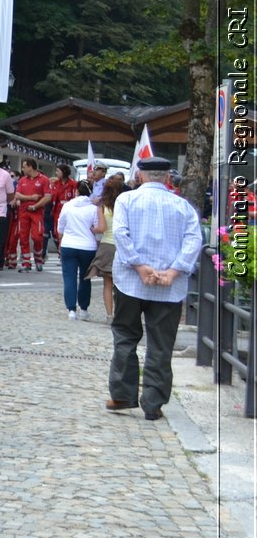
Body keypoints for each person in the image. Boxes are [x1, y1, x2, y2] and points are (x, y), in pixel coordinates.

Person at [107, 157, 202, 420]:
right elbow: (193, 241)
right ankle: (153, 402)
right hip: (169, 285)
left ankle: (122, 396)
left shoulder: (126, 200)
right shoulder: (183, 206)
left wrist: (139, 266)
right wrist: (173, 271)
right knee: (161, 343)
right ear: (168, 178)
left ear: (140, 176)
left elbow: (121, 234)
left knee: (126, 336)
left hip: (131, 280)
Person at [56, 180, 103, 320]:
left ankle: (71, 309)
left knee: (69, 277)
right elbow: (97, 229)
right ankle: (84, 308)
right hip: (87, 246)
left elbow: (60, 227)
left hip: (69, 244)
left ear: (76, 191)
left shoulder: (68, 206)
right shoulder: (93, 209)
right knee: (85, 278)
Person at [91, 174, 128, 319]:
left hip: (107, 244)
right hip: (121, 245)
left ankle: (109, 314)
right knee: (122, 283)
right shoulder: (125, 205)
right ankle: (121, 313)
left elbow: (101, 228)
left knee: (108, 283)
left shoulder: (102, 206)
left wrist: (92, 229)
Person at [12, 159, 52, 272]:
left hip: (37, 212)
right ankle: (26, 262)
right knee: (23, 237)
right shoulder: (22, 180)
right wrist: (30, 198)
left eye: (24, 166)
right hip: (23, 211)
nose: (22, 169)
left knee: (37, 237)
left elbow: (48, 197)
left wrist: (35, 206)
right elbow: (18, 194)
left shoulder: (44, 179)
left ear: (30, 167)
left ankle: (39, 258)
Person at [47, 163, 78, 262]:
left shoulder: (73, 184)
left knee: (68, 232)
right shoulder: (56, 184)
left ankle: (66, 254)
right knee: (58, 233)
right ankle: (61, 254)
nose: (56, 173)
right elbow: (52, 196)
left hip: (70, 211)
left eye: (58, 171)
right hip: (58, 212)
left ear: (64, 172)